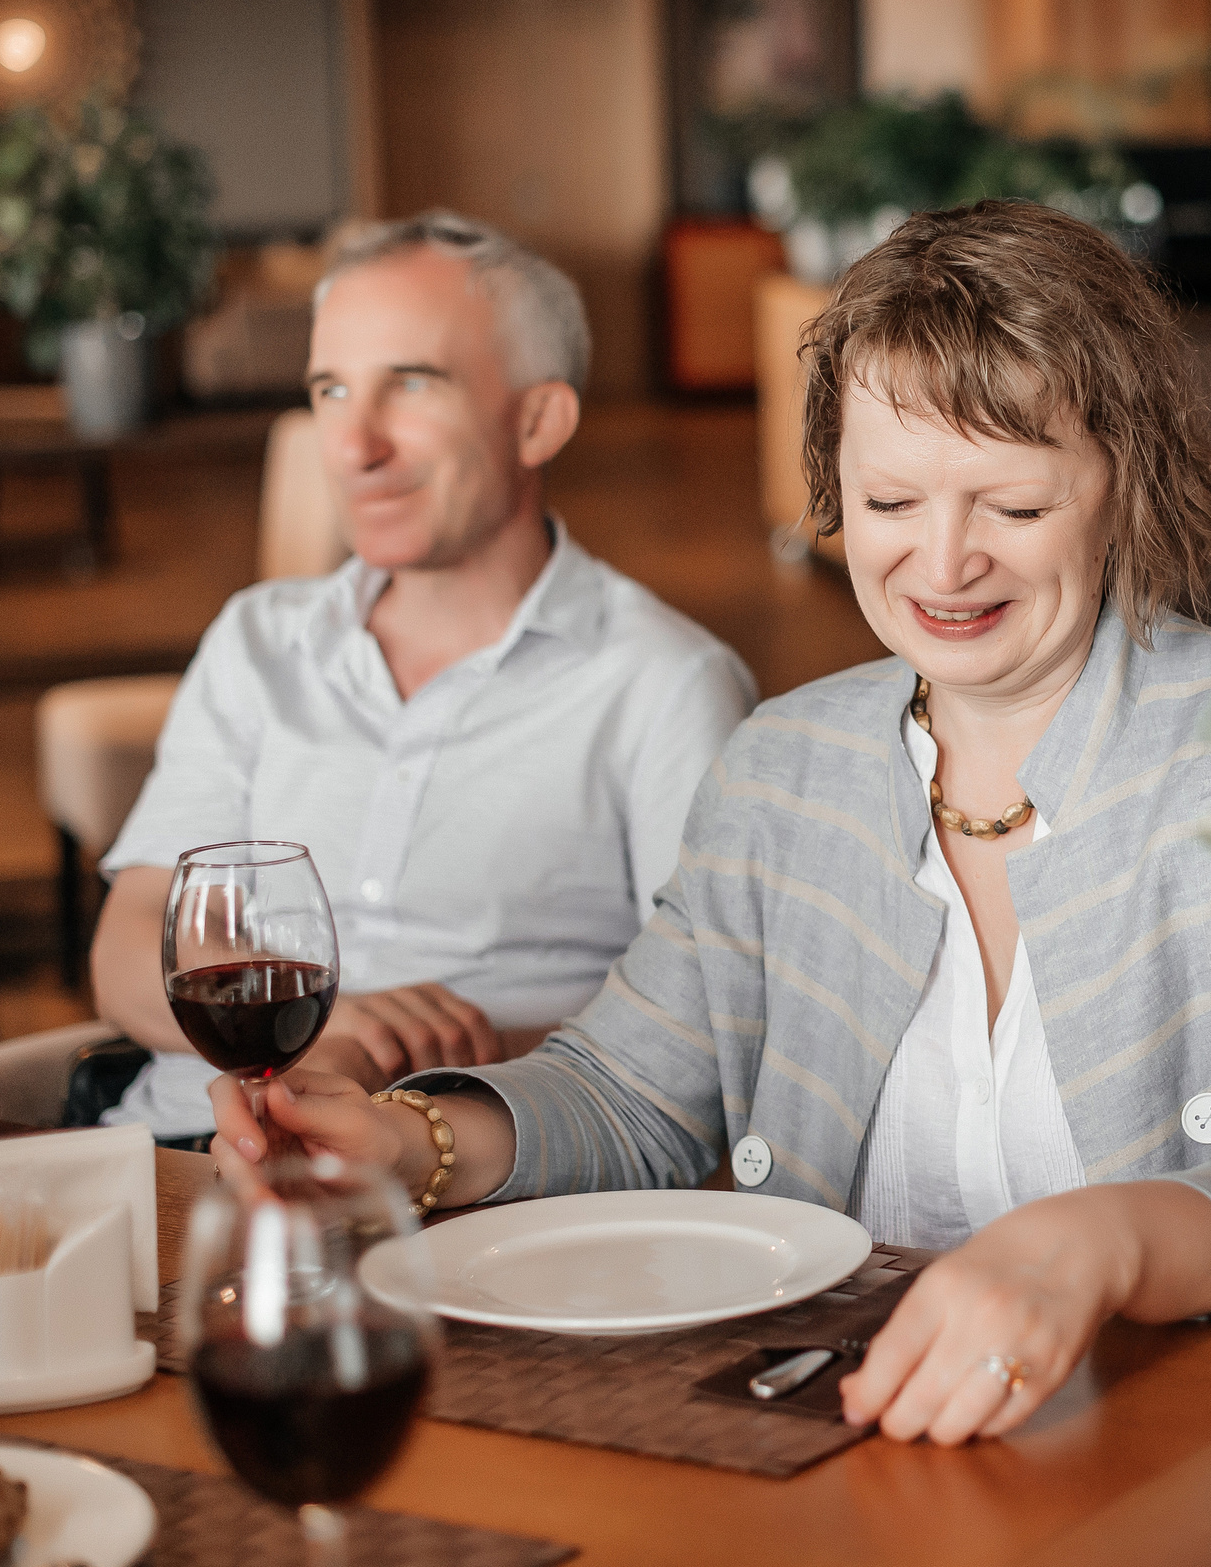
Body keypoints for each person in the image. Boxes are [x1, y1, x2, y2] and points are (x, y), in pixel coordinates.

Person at [210, 200, 1211, 1443]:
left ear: (1126, 484)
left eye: (1013, 508)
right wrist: (410, 1144)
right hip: (853, 1432)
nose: (942, 564)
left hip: (1186, 1442)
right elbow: (631, 1096)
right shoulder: (786, 766)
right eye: (889, 505)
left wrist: (1092, 1244)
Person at [89, 211, 755, 1142]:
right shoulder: (259, 641)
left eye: (410, 384)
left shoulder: (664, 686)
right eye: (329, 389)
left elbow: (716, 1025)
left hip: (472, 1193)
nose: (355, 446)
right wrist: (329, 1031)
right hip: (161, 1151)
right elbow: (130, 944)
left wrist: (415, 1060)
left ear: (537, 419)